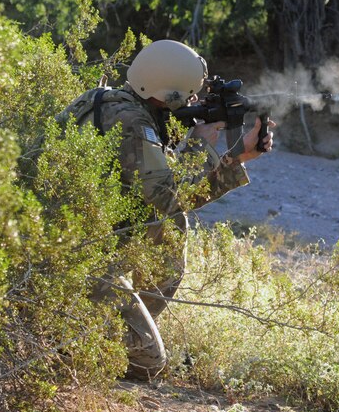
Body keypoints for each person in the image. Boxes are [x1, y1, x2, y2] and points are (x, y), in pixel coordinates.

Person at [57, 39, 274, 379]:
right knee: (148, 364)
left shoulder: (108, 101)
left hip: (76, 242)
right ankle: (80, 339)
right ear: (166, 94)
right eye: (188, 96)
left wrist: (231, 151)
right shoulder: (131, 123)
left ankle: (118, 324)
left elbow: (152, 182)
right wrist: (215, 150)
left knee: (170, 225)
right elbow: (170, 195)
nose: (192, 101)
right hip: (74, 259)